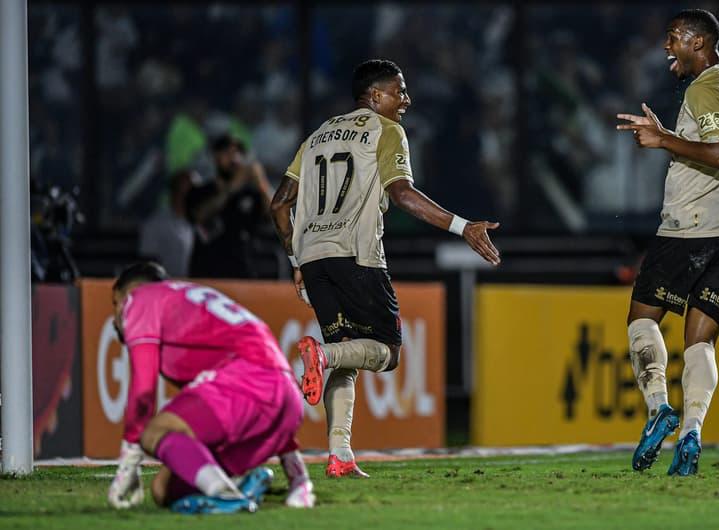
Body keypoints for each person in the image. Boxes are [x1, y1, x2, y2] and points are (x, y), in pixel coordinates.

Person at [270, 59, 501, 478]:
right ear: (376, 96)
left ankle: (340, 454)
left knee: (347, 356)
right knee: (387, 353)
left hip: (314, 258)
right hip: (356, 255)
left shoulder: (317, 135)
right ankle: (322, 355)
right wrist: (463, 227)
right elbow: (402, 194)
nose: (406, 100)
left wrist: (295, 259)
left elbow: (280, 204)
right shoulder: (386, 130)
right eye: (400, 91)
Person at [616, 9, 719, 476]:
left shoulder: (705, 87)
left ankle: (659, 407)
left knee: (642, 319)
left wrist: (663, 139)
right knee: (701, 342)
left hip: (693, 227)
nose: (667, 46)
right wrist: (672, 137)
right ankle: (692, 432)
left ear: (698, 42)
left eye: (674, 37)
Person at [106, 262, 315, 513]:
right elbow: (272, 389)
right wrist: (298, 478)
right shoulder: (188, 303)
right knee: (164, 490)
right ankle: (239, 487)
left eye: (115, 303)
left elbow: (143, 393)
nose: (116, 317)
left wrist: (129, 463)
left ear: (129, 294)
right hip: (286, 401)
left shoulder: (140, 300)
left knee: (154, 431)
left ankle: (227, 495)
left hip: (249, 384)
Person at [187, 133, 274, 278]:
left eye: (238, 153)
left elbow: (275, 216)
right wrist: (231, 189)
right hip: (208, 271)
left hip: (243, 273)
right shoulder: (201, 192)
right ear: (215, 157)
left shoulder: (249, 194)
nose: (234, 158)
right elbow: (199, 216)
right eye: (227, 153)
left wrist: (262, 184)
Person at [138, 169, 196, 277]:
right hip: (167, 284)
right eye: (187, 192)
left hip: (199, 284)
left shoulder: (200, 222)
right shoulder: (155, 224)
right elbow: (147, 263)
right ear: (174, 193)